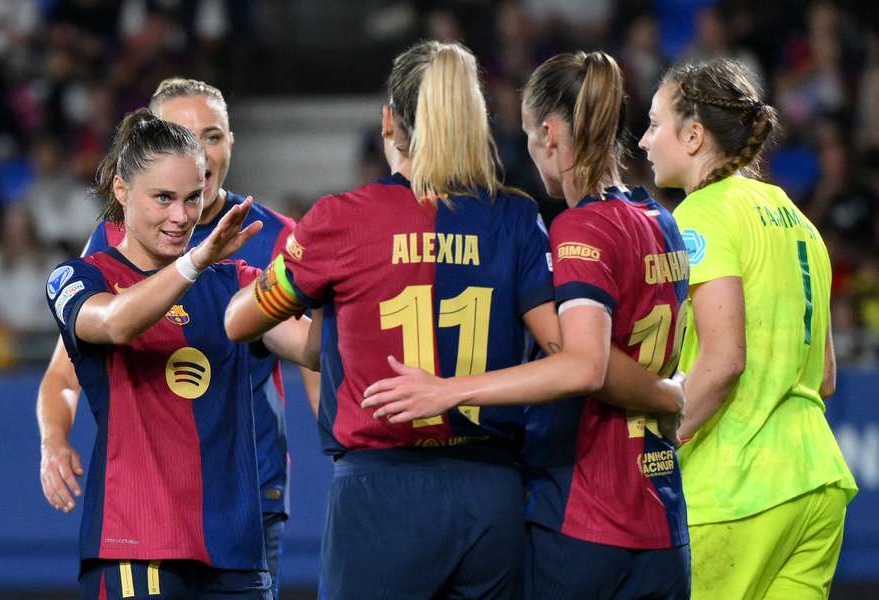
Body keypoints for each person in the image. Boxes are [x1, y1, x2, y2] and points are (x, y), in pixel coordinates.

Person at [225, 42, 683, 599]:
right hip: (492, 498)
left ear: (389, 122)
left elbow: (239, 323)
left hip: (382, 497)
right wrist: (665, 392)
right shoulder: (516, 217)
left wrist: (266, 295)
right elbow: (573, 355)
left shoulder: (341, 220)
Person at [362, 51, 691, 599]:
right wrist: (668, 394)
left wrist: (448, 391)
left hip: (585, 516)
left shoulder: (579, 229)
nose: (532, 155)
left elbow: (585, 365)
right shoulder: (662, 223)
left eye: (530, 139)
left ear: (551, 133)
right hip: (662, 517)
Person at [36, 78, 319, 600]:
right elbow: (115, 324)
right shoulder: (79, 274)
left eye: (189, 199)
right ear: (122, 191)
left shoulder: (238, 275)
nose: (181, 215)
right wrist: (53, 439)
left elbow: (314, 352)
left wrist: (336, 281)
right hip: (138, 537)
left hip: (238, 532)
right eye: (164, 198)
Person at [638, 58, 857, 599]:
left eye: (653, 124)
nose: (644, 142)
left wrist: (665, 448)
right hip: (816, 485)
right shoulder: (800, 221)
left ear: (692, 136)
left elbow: (723, 361)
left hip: (734, 492)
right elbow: (825, 377)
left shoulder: (700, 217)